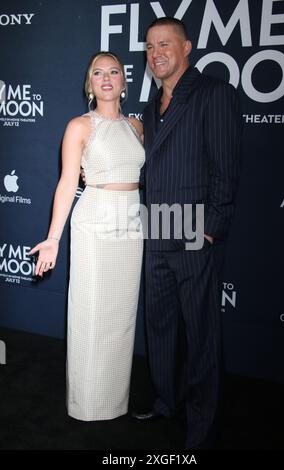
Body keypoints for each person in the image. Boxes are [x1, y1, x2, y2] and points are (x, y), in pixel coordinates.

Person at [132, 18, 241, 449]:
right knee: (159, 327)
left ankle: (202, 423)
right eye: (149, 47)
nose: (156, 52)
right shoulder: (149, 108)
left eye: (164, 44)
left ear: (186, 47)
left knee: (200, 334)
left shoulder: (214, 94)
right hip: (157, 228)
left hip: (194, 231)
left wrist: (210, 230)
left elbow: (225, 170)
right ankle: (167, 403)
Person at [29, 52, 145, 421]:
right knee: (91, 312)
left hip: (132, 221)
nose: (107, 78)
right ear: (90, 83)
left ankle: (114, 400)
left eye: (114, 71)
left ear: (125, 82)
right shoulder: (80, 126)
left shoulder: (138, 126)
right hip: (95, 219)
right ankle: (87, 404)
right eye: (98, 73)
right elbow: (66, 183)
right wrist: (53, 238)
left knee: (122, 314)